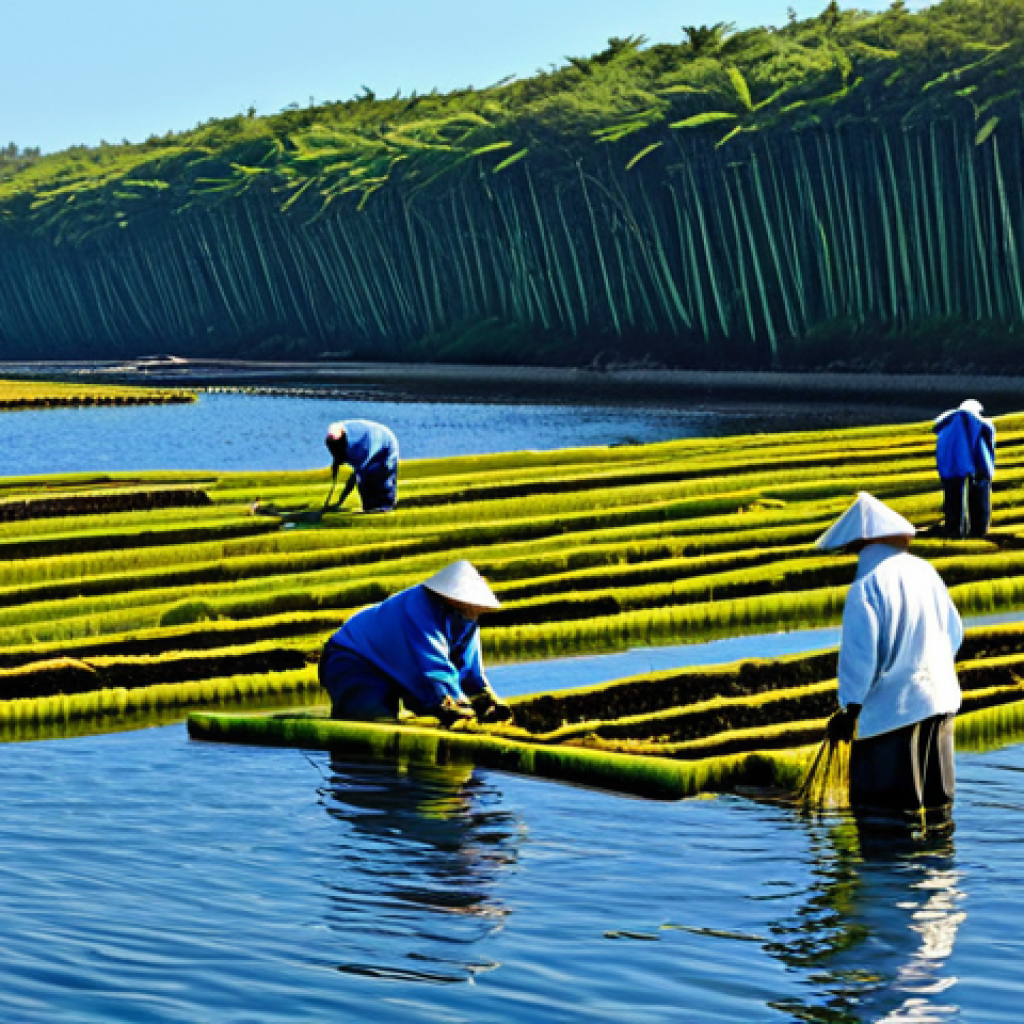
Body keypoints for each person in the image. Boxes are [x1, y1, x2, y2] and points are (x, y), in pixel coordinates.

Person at [816, 492, 963, 813]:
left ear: (859, 545)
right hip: (941, 704)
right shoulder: (926, 571)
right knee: (938, 809)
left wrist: (849, 712)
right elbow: (954, 634)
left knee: (888, 817)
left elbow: (860, 661)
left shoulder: (866, 586)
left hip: (891, 717)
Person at [318, 559, 513, 728]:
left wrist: (485, 699)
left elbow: (469, 668)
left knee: (431, 712)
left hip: (394, 663)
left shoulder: (465, 619)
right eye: (474, 606)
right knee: (374, 725)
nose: (477, 612)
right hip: (356, 658)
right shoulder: (419, 608)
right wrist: (455, 704)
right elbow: (433, 667)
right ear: (455, 600)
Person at [933, 398, 995, 538]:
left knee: (952, 501)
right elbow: (980, 448)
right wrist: (981, 469)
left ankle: (954, 531)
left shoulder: (946, 424)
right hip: (975, 467)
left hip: (948, 469)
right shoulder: (974, 422)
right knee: (978, 501)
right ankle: (977, 533)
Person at [325, 419, 400, 513]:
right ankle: (369, 507)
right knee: (366, 484)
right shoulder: (338, 439)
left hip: (384, 446)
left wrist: (341, 499)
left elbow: (358, 475)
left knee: (380, 480)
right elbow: (338, 452)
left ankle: (385, 508)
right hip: (369, 446)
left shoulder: (361, 446)